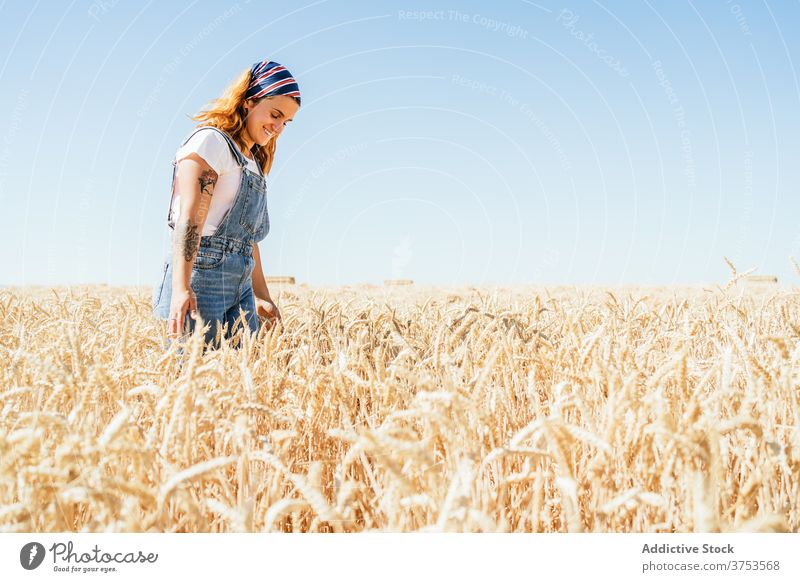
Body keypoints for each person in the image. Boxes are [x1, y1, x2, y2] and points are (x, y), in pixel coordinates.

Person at [151, 59, 301, 351]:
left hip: (241, 284)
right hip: (200, 277)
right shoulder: (210, 143)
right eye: (275, 114)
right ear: (249, 101)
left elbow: (248, 239)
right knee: (191, 380)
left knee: (237, 383)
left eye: (287, 122)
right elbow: (190, 218)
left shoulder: (254, 163)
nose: (279, 127)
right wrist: (182, 288)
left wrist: (262, 295)